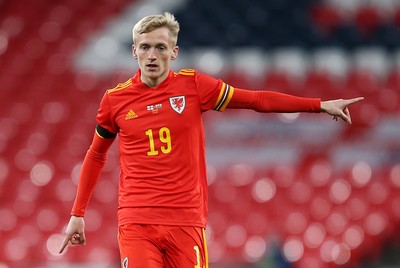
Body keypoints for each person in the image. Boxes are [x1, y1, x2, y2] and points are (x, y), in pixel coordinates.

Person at [59, 12, 364, 268]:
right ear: (134, 51)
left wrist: (319, 104)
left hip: (186, 220)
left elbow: (256, 100)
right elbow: (96, 155)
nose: (153, 55)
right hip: (137, 219)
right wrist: (77, 214)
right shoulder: (115, 100)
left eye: (161, 48)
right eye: (146, 47)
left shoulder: (194, 86)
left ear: (174, 52)